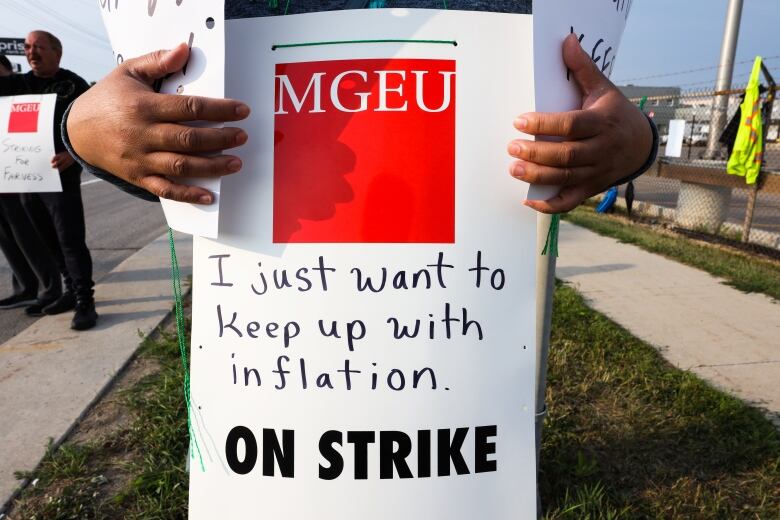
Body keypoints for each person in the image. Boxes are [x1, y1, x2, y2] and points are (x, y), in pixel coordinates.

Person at [63, 1, 657, 214]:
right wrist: (84, 130)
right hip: (268, 342)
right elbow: (172, 156)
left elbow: (583, 106)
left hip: (471, 347)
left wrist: (635, 144)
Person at [0, 31, 98, 330]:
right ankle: (68, 290)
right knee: (46, 238)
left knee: (70, 239)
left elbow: (92, 127)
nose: (32, 52)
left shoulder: (74, 85)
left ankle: (85, 301)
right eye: (28, 47)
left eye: (39, 47)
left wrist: (72, 153)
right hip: (28, 178)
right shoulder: (18, 85)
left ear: (57, 52)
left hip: (61, 177)